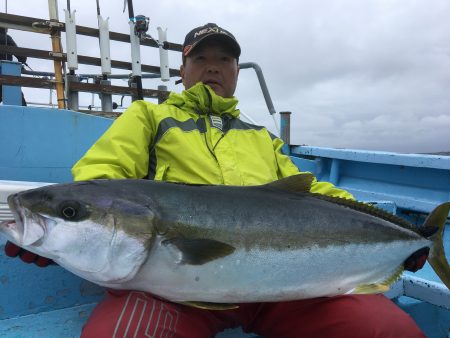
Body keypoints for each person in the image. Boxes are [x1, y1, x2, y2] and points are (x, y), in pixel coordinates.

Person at [5, 23, 425, 337]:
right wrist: (69, 235)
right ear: (183, 67)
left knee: (390, 331)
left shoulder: (261, 137)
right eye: (201, 59)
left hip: (285, 290)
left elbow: (313, 192)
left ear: (237, 71)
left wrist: (401, 235)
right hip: (171, 290)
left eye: (224, 60)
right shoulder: (148, 117)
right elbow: (101, 180)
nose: (213, 68)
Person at [0, 27, 27, 105]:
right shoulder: (7, 38)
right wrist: (22, 61)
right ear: (5, 29)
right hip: (6, 73)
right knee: (20, 101)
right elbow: (21, 56)